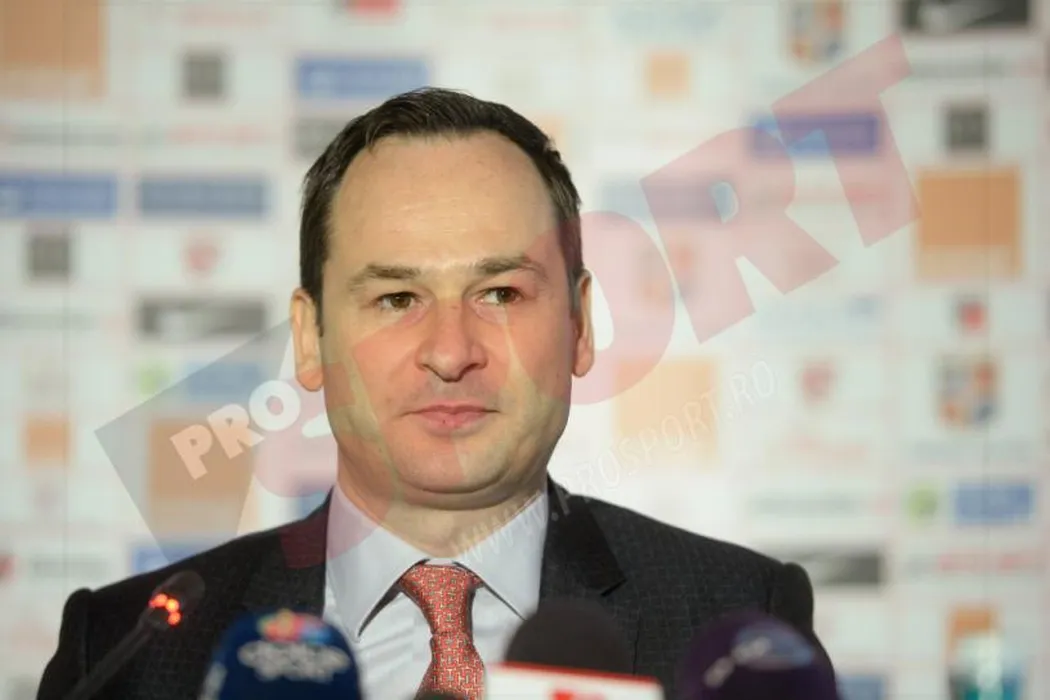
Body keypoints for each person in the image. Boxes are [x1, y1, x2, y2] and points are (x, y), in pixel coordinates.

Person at [37, 88, 830, 700]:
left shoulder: (740, 622)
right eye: (396, 299)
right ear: (309, 339)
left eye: (501, 294)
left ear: (580, 324)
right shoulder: (129, 651)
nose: (451, 352)